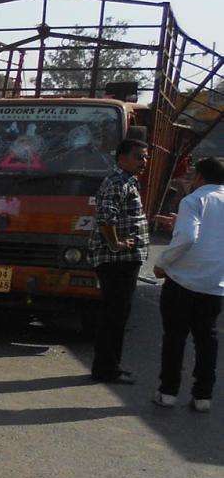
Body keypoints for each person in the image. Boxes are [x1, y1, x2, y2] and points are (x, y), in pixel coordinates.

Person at [151, 155, 224, 411]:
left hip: (183, 280)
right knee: (207, 339)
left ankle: (168, 392)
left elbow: (188, 238)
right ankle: (203, 396)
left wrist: (163, 262)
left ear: (200, 177)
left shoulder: (193, 200)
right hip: (215, 284)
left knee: (175, 338)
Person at [89, 128, 150, 384]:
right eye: (139, 157)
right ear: (122, 158)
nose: (143, 162)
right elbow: (105, 218)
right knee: (114, 315)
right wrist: (115, 244)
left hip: (125, 258)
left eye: (145, 157)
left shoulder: (127, 181)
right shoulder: (116, 182)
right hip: (117, 261)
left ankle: (109, 366)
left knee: (118, 314)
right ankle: (106, 369)